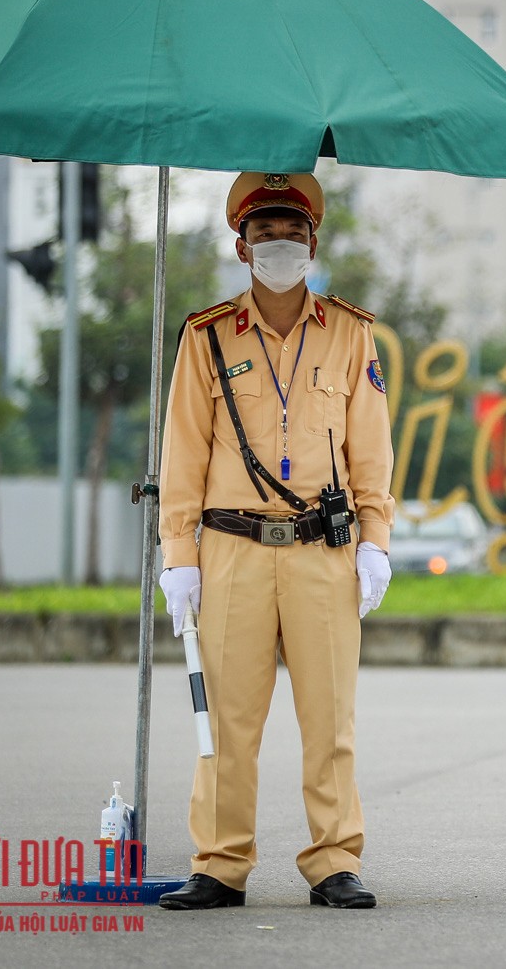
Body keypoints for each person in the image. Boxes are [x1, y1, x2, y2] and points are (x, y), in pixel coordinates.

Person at [154, 172, 396, 912]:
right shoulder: (206, 337)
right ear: (240, 245)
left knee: (330, 717)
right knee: (226, 718)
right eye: (265, 233)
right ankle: (220, 862)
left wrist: (375, 539)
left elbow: (372, 451)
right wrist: (179, 558)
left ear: (314, 241)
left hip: (324, 552)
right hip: (233, 551)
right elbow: (183, 455)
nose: (279, 244)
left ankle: (333, 860)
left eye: (292, 232)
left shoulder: (353, 334)